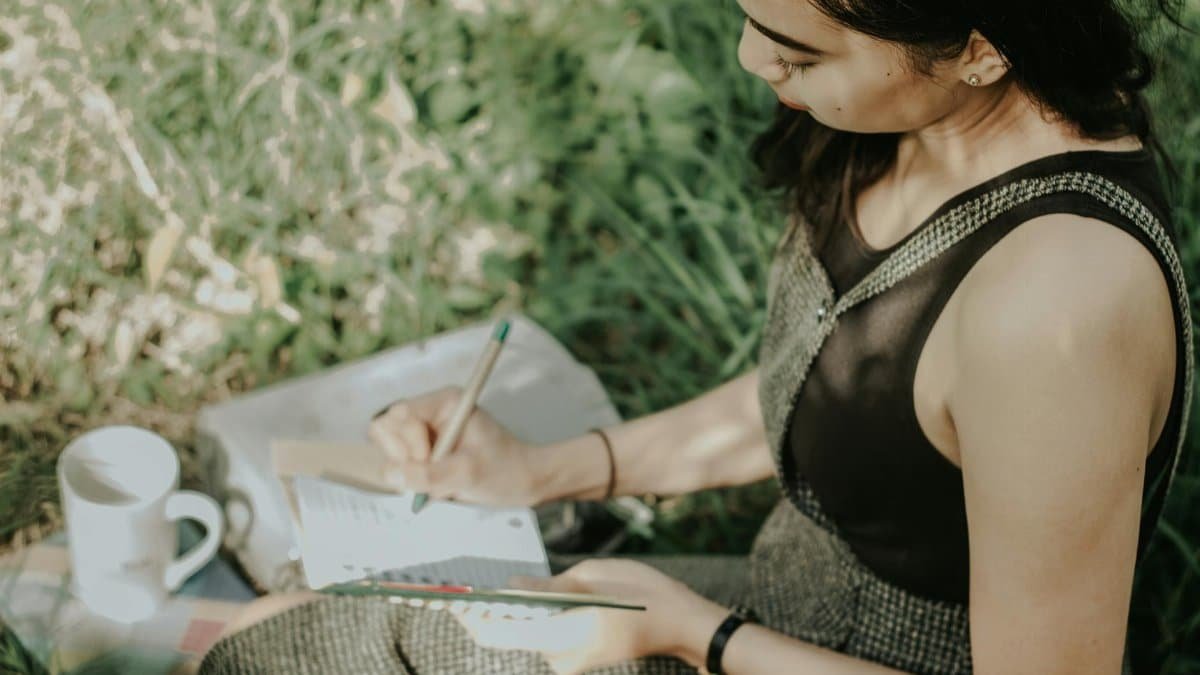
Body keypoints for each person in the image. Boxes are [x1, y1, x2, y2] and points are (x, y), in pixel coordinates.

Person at [200, 0, 1194, 673]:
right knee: (285, 632)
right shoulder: (933, 123)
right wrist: (543, 472)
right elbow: (838, 385)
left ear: (979, 45)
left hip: (816, 653)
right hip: (767, 608)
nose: (750, 62)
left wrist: (695, 634)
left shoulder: (1060, 309)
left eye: (799, 52)